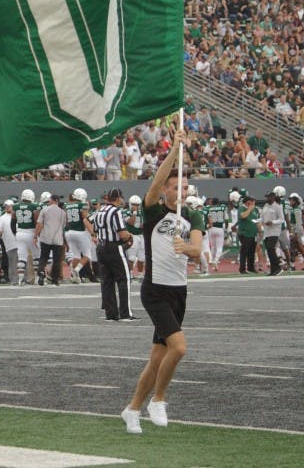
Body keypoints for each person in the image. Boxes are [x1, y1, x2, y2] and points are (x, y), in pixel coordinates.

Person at [121, 124, 204, 434]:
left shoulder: (192, 216)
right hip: (155, 290)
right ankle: (158, 399)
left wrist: (188, 247)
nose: (180, 191)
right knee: (179, 348)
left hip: (179, 291)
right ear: (166, 190)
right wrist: (174, 151)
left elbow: (197, 250)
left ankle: (131, 409)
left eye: (184, 187)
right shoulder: (154, 212)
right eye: (175, 186)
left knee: (157, 359)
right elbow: (154, 184)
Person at [94, 189, 135, 321]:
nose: (123, 200)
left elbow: (92, 225)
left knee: (107, 281)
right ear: (117, 198)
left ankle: (110, 313)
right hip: (114, 247)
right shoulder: (116, 211)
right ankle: (125, 313)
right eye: (122, 197)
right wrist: (130, 236)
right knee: (124, 279)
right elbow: (122, 234)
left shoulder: (100, 210)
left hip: (100, 247)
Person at [35, 193, 67, 286]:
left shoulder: (44, 210)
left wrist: (35, 235)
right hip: (57, 238)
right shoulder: (63, 212)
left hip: (46, 237)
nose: (49, 202)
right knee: (57, 259)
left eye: (50, 200)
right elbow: (63, 226)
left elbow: (39, 224)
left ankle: (41, 274)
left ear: (53, 200)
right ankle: (55, 279)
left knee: (43, 257)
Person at [260, 192, 284, 275]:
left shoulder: (278, 207)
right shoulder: (265, 206)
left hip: (274, 231)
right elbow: (262, 218)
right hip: (266, 231)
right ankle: (273, 270)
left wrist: (272, 222)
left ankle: (278, 266)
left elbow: (281, 219)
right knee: (269, 250)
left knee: (271, 248)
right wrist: (257, 221)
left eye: (269, 197)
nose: (267, 199)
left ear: (273, 197)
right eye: (267, 197)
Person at [237, 196, 260, 274]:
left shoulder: (255, 210)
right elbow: (243, 216)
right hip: (244, 233)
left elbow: (257, 221)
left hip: (253, 233)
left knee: (252, 251)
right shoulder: (242, 208)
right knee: (244, 251)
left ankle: (251, 268)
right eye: (253, 201)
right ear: (248, 202)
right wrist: (249, 209)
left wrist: (260, 231)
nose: (254, 203)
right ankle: (242, 269)